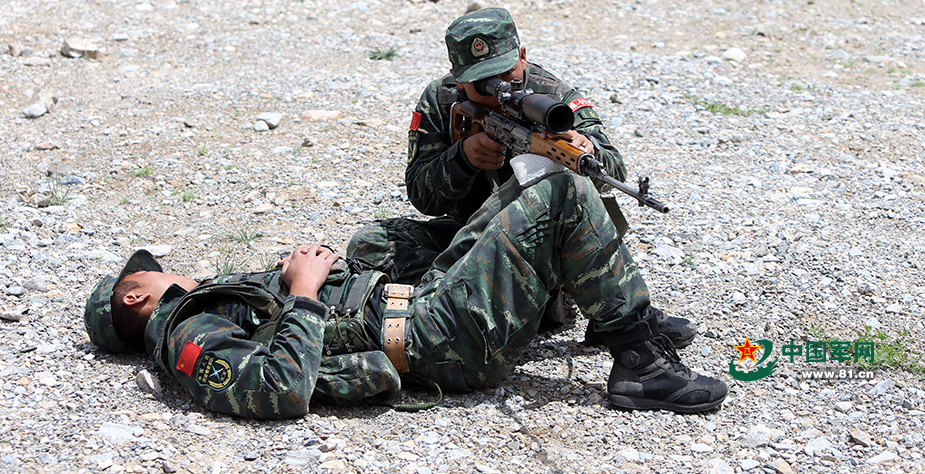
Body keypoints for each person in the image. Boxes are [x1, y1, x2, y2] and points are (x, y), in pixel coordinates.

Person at [85, 172, 728, 420]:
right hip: (428, 339)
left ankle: (605, 307)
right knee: (559, 197)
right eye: (157, 273)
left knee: (514, 193)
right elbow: (272, 390)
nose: (178, 273)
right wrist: (306, 293)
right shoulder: (187, 333)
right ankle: (639, 361)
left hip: (414, 312)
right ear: (136, 297)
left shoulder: (201, 314)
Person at [348, 6, 695, 348]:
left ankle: (546, 303)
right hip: (473, 236)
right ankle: (522, 302)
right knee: (372, 244)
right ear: (457, 77)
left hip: (543, 244)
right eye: (483, 84)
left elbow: (612, 172)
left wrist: (585, 149)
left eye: (508, 76)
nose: (499, 91)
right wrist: (463, 159)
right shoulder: (441, 100)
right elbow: (423, 196)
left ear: (523, 56)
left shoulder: (555, 99)